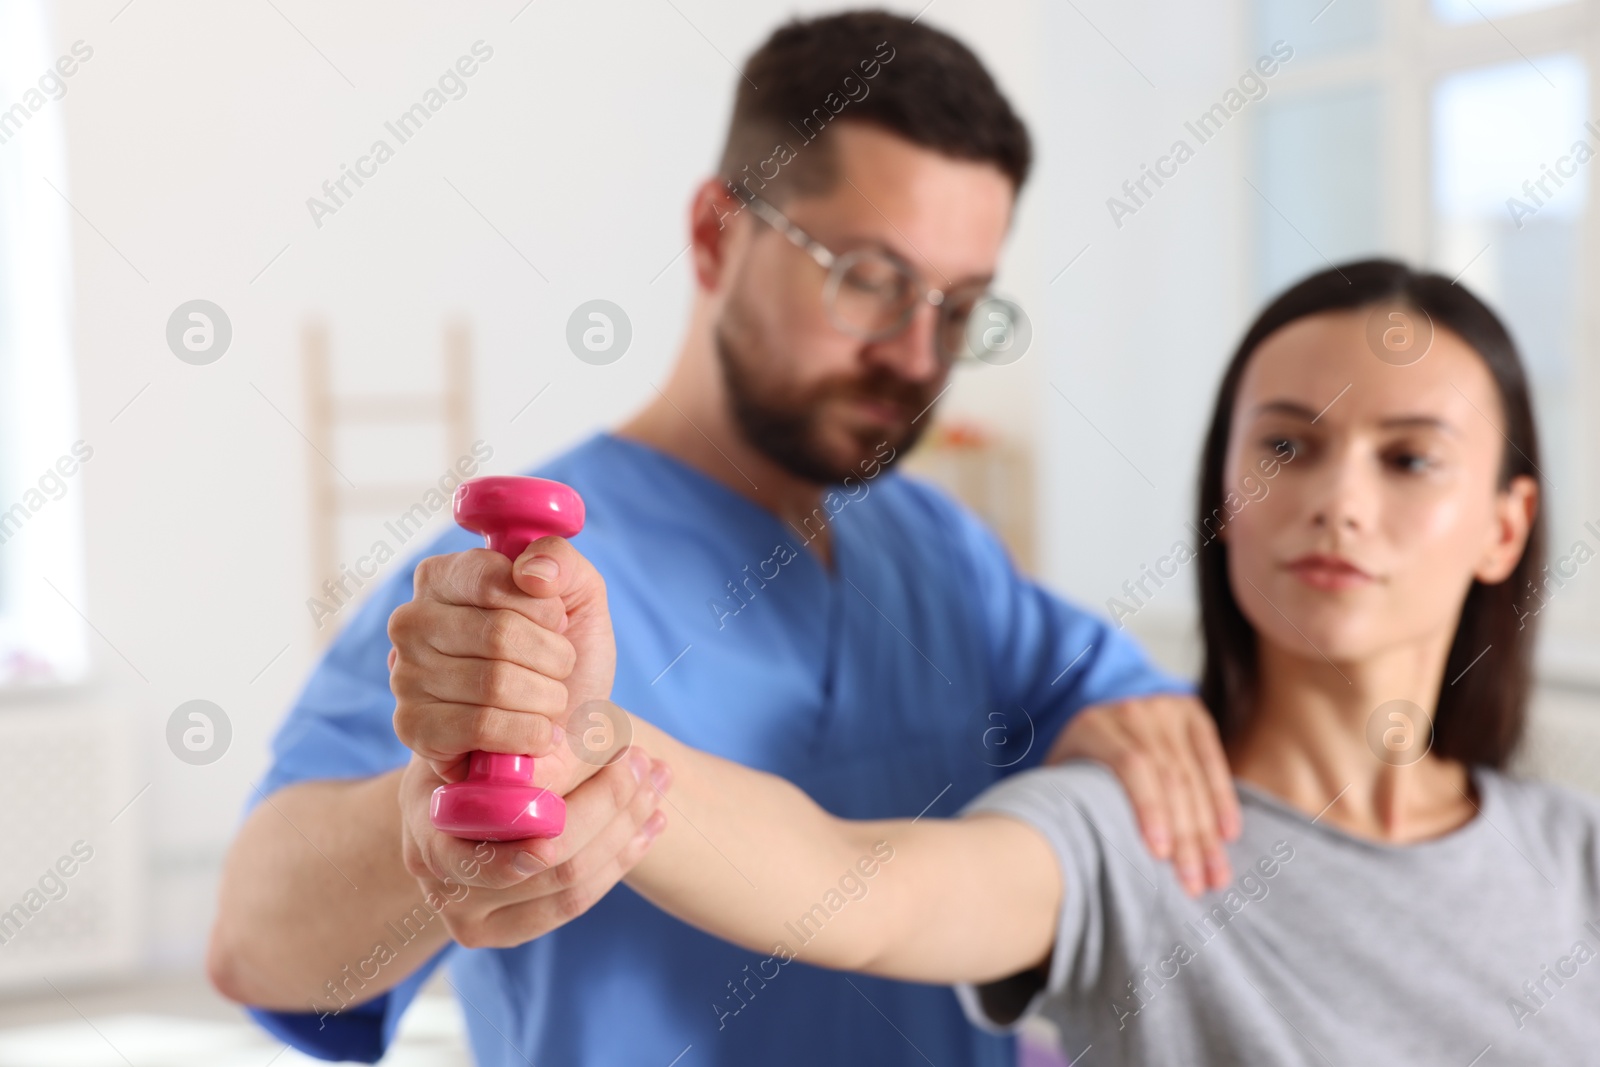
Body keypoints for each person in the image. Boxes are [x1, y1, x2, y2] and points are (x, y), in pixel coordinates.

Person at [207, 11, 1239, 1066]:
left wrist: (1139, 719)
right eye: (872, 281)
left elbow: (1131, 708)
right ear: (716, 234)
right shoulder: (527, 583)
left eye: (960, 304)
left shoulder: (940, 550)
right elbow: (255, 940)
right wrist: (431, 816)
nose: (917, 354)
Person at [511, 260, 1600, 1062]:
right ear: (1228, 490)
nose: (1338, 500)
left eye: (1409, 458)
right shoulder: (1126, 834)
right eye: (1285, 444)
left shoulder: (1574, 856)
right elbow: (847, 886)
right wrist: (578, 730)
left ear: (1505, 526)